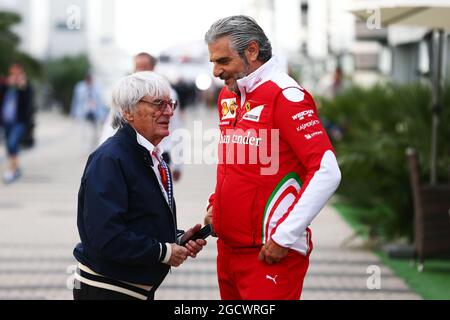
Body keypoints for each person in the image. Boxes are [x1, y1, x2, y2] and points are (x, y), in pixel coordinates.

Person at [203, 15, 341, 300]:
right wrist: (216, 206)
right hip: (228, 250)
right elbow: (232, 163)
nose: (216, 71)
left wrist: (285, 236)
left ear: (251, 51)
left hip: (270, 253)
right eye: (213, 62)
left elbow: (327, 170)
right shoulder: (228, 97)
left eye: (223, 61)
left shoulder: (286, 95)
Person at [73, 71, 206, 300]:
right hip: (107, 289)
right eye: (158, 104)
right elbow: (107, 236)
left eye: (170, 103)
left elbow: (138, 219)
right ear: (128, 112)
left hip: (132, 289)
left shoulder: (150, 155)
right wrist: (164, 252)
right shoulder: (111, 158)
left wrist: (176, 240)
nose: (169, 111)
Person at [99, 52, 184, 181]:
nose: (140, 70)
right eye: (137, 66)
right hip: (133, 153)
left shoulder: (169, 93)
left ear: (153, 68)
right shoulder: (126, 93)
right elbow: (112, 123)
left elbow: (176, 127)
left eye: (145, 66)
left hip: (161, 153)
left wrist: (178, 164)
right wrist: (102, 152)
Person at [0, 63, 33, 184]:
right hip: (6, 121)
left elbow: (28, 102)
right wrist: (7, 84)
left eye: (17, 73)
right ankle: (16, 167)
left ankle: (12, 170)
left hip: (19, 121)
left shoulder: (25, 86)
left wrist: (21, 86)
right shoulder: (6, 84)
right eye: (12, 72)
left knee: (13, 143)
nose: (14, 75)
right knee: (9, 146)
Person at [70, 72, 107, 154]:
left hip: (96, 112)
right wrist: (73, 113)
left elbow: (101, 101)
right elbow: (75, 100)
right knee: (84, 132)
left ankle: (94, 148)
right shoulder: (80, 87)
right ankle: (84, 149)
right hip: (83, 112)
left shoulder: (97, 87)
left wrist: (104, 114)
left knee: (96, 132)